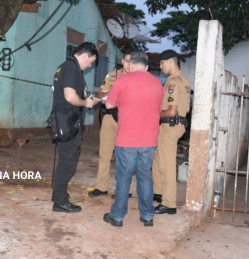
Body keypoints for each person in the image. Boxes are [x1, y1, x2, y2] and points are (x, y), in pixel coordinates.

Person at [102, 51, 164, 227]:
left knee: (124, 178)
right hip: (149, 140)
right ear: (146, 66)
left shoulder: (123, 80)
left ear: (130, 64)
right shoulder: (157, 84)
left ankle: (118, 216)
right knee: (145, 177)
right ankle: (147, 216)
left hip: (127, 139)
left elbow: (109, 105)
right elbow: (158, 108)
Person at [51, 42, 99, 213]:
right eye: (91, 61)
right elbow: (70, 97)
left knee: (66, 159)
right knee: (68, 162)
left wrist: (88, 99)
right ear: (85, 56)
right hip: (68, 121)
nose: (90, 65)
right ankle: (60, 201)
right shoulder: (71, 69)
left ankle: (58, 194)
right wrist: (86, 102)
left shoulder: (65, 67)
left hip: (65, 120)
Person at [152, 49, 191, 215]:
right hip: (174, 125)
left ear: (170, 61)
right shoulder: (185, 79)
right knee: (158, 160)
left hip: (170, 125)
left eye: (161, 63)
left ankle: (169, 203)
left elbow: (171, 111)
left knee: (166, 164)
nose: (160, 67)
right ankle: (159, 193)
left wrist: (153, 116)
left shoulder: (173, 82)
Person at [88, 51, 131, 198]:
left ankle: (124, 189)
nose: (128, 64)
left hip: (127, 119)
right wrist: (111, 93)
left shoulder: (137, 78)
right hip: (110, 117)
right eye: (126, 60)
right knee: (105, 153)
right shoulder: (112, 75)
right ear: (122, 61)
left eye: (131, 61)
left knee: (125, 156)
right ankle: (101, 187)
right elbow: (101, 94)